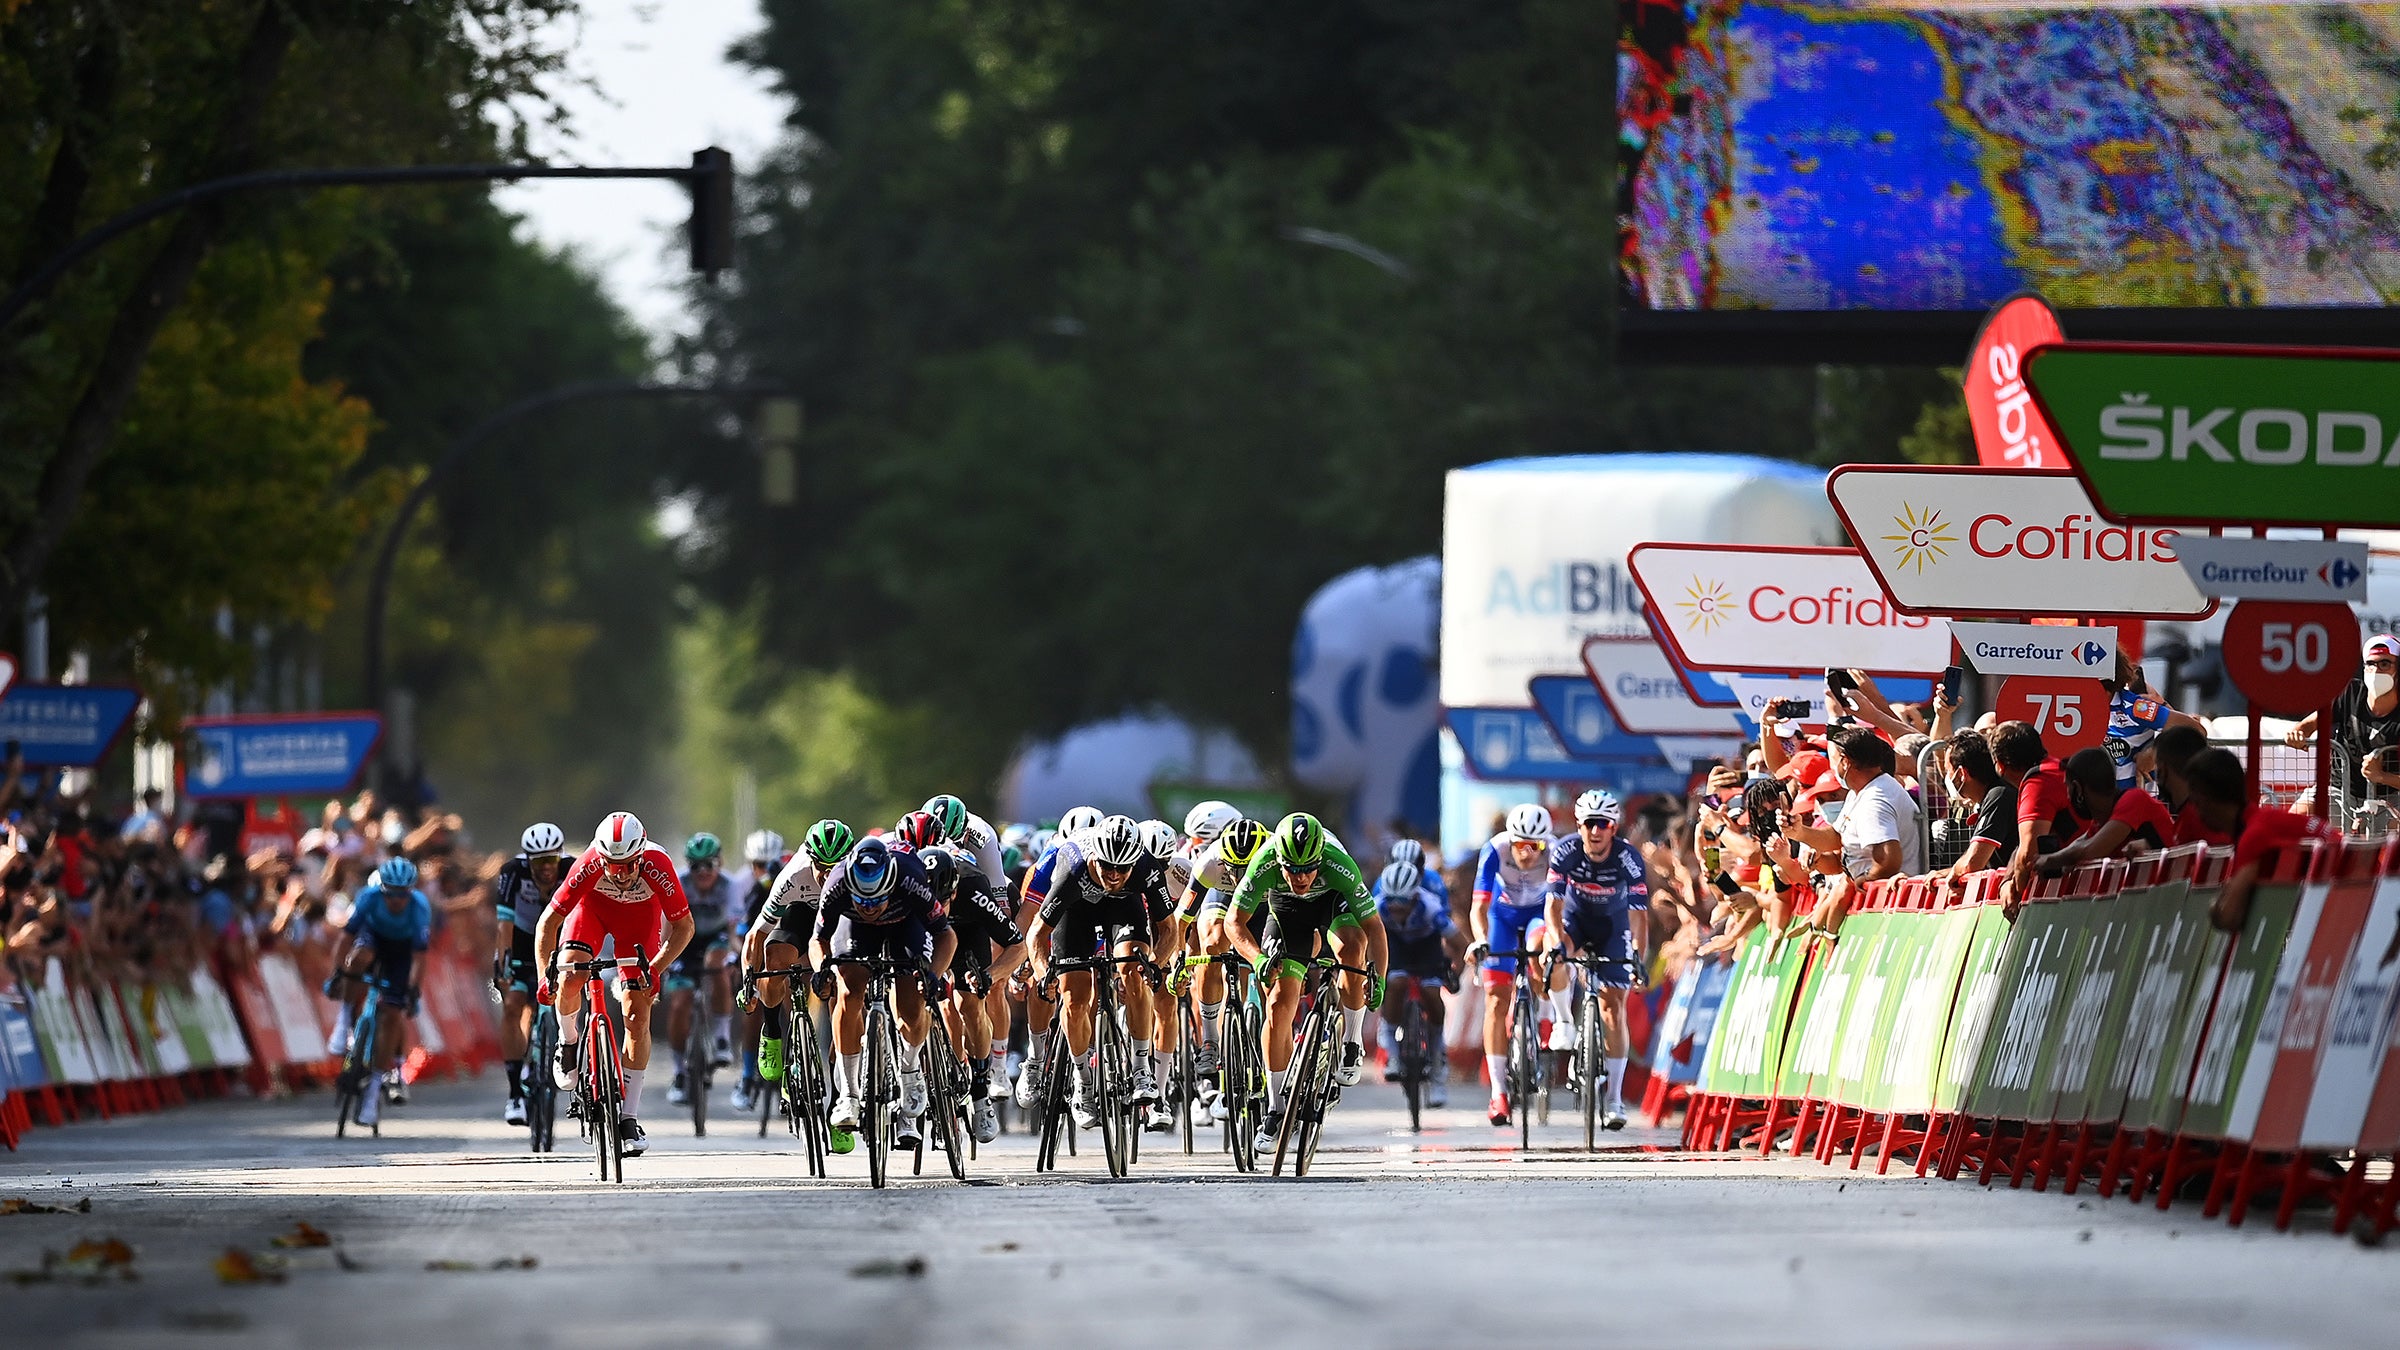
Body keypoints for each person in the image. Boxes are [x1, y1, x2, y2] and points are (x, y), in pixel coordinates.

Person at [1222, 813, 1387, 1151]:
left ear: (1319, 859)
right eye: (1293, 870)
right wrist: (1257, 960)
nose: (1302, 877)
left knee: (1353, 948)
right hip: (1286, 911)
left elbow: (1374, 927)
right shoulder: (1264, 861)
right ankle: (1276, 1107)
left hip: (1332, 902)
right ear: (1278, 862)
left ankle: (1352, 1042)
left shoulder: (1337, 862)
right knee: (1279, 1003)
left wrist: (1378, 977)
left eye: (1309, 869)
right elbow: (1233, 923)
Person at [536, 812, 697, 1158]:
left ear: (640, 855)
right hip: (592, 915)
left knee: (637, 1015)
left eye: (627, 865)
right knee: (571, 974)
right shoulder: (590, 862)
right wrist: (543, 973)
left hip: (638, 926)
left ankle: (628, 1117)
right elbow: (550, 920)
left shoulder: (658, 864)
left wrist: (655, 969)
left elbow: (684, 927)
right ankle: (568, 1041)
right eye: (612, 864)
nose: (619, 874)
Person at [1023, 816, 1170, 1129]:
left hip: (1124, 910)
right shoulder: (1072, 866)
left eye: (1122, 869)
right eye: (1107, 867)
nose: (1114, 876)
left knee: (1134, 970)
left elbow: (1169, 929)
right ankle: (1084, 1083)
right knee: (1075, 999)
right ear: (1094, 858)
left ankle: (1141, 1069)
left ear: (1134, 862)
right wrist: (1041, 973)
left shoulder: (1146, 867)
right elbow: (1036, 934)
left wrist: (1155, 962)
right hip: (1076, 913)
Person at [811, 834, 953, 1148]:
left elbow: (946, 936)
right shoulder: (837, 885)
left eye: (876, 900)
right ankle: (848, 1094)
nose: (870, 908)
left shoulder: (910, 880)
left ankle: (911, 1069)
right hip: (854, 930)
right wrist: (822, 969)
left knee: (911, 1007)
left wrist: (933, 975)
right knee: (849, 991)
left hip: (905, 924)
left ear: (889, 883)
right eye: (863, 900)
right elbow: (818, 940)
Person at [739, 819, 855, 1152]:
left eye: (835, 867)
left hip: (839, 922)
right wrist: (750, 978)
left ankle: (840, 1103)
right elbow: (757, 934)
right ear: (810, 859)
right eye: (821, 867)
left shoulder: (857, 872)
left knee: (843, 1000)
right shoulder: (793, 874)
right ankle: (773, 1030)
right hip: (801, 914)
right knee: (775, 957)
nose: (826, 874)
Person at [1539, 789, 1649, 1130]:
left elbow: (1638, 917)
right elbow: (1553, 908)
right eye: (1589, 824)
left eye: (1603, 824)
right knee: (1552, 956)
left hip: (1612, 929)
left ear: (1614, 827)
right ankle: (1563, 1022)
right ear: (1579, 825)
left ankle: (1614, 1099)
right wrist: (1558, 943)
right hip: (1574, 921)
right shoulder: (1565, 851)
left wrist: (1638, 959)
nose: (1595, 831)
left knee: (1613, 1011)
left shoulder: (1628, 858)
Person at [923, 845, 1025, 1144]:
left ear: (954, 892)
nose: (938, 909)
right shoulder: (910, 891)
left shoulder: (973, 889)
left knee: (969, 1004)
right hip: (926, 935)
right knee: (938, 1006)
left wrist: (989, 976)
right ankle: (931, 1088)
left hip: (969, 934)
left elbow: (1018, 947)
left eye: (943, 901)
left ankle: (980, 1091)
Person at [1171, 815, 1269, 1121]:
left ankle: (1267, 1034)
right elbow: (1182, 918)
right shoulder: (1210, 864)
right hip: (1223, 899)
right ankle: (1211, 1040)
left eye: (1246, 868)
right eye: (1233, 868)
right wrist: (1179, 960)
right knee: (1212, 943)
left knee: (1267, 963)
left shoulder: (1274, 860)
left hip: (1266, 902)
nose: (1240, 875)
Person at [1464, 803, 1557, 1126]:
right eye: (1520, 845)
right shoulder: (1494, 849)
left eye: (1535, 846)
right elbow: (1478, 908)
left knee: (1539, 953)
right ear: (1510, 841)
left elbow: (1561, 907)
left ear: (1545, 843)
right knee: (1496, 1000)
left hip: (1538, 915)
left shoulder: (1556, 852)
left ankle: (1545, 1019)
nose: (1527, 853)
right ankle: (1498, 1092)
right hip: (1501, 919)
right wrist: (1479, 940)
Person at [324, 856, 431, 1131]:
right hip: (373, 938)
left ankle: (373, 1090)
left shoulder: (419, 908)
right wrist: (339, 971)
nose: (396, 900)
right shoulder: (369, 897)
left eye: (402, 894)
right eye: (390, 894)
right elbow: (345, 939)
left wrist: (413, 989)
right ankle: (345, 1019)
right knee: (356, 960)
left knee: (393, 1016)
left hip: (402, 952)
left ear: (410, 891)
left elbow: (419, 958)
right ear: (382, 889)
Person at [2181, 748, 2340, 933]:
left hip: (2332, 919)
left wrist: (2215, 905)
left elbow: (2229, 916)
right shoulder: (2266, 822)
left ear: (2202, 800)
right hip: (2343, 913)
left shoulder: (2254, 837)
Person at [1781, 726, 1919, 932]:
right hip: (1877, 904)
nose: (1831, 766)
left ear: (1845, 762)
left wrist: (1864, 881)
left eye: (1833, 759)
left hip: (1890, 908)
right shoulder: (1861, 792)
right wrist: (1800, 832)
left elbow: (1889, 861)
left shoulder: (1876, 799)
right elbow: (1836, 838)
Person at [490, 823, 568, 1126]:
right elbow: (503, 926)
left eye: (551, 860)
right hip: (521, 942)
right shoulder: (512, 872)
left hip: (559, 943)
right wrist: (504, 963)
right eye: (538, 862)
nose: (546, 868)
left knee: (566, 997)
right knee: (513, 1004)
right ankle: (514, 1093)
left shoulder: (572, 869)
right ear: (528, 860)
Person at [2283, 634, 2400, 831]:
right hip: (2339, 791)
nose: (2376, 670)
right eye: (2370, 664)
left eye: (2385, 664)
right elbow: (2307, 725)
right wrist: (2297, 733)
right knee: (2288, 824)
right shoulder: (2349, 692)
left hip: (2391, 798)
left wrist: (2381, 776)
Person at [1371, 857, 1458, 1108]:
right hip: (1394, 944)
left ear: (1416, 897)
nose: (1396, 908)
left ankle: (1437, 1058)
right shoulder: (1378, 907)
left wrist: (1455, 972)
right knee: (1395, 983)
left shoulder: (1431, 907)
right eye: (1392, 902)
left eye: (1403, 903)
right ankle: (1393, 1053)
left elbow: (1458, 943)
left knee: (1432, 991)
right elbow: (1363, 942)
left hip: (1425, 944)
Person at [666, 832, 740, 1109]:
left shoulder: (729, 885)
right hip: (684, 942)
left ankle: (721, 1037)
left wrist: (737, 954)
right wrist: (665, 959)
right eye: (696, 866)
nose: (703, 872)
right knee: (679, 1003)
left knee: (717, 964)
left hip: (716, 939)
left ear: (719, 863)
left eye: (709, 864)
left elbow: (734, 927)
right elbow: (667, 927)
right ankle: (679, 1072)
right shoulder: (679, 883)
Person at [2034, 747, 2178, 875]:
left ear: (2077, 788)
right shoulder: (2100, 822)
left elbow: (2090, 851)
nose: (2067, 795)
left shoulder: (2135, 799)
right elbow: (2079, 845)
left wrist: (2049, 861)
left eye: (2068, 788)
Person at [1991, 721, 2075, 916]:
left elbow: (2029, 851)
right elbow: (2022, 848)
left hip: (2075, 889)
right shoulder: (2055, 769)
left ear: (2000, 765)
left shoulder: (2039, 781)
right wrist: (2007, 879)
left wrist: (2015, 898)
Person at [2102, 649, 2206, 792]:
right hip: (2098, 806)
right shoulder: (2081, 710)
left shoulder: (2133, 707)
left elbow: (2196, 729)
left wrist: (2154, 753)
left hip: (2136, 806)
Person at [1939, 731, 2017, 883]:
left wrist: (1954, 872)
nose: (1947, 778)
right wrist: (1946, 873)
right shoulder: (1994, 795)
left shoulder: (1999, 796)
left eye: (1948, 771)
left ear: (1962, 773)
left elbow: (1972, 864)